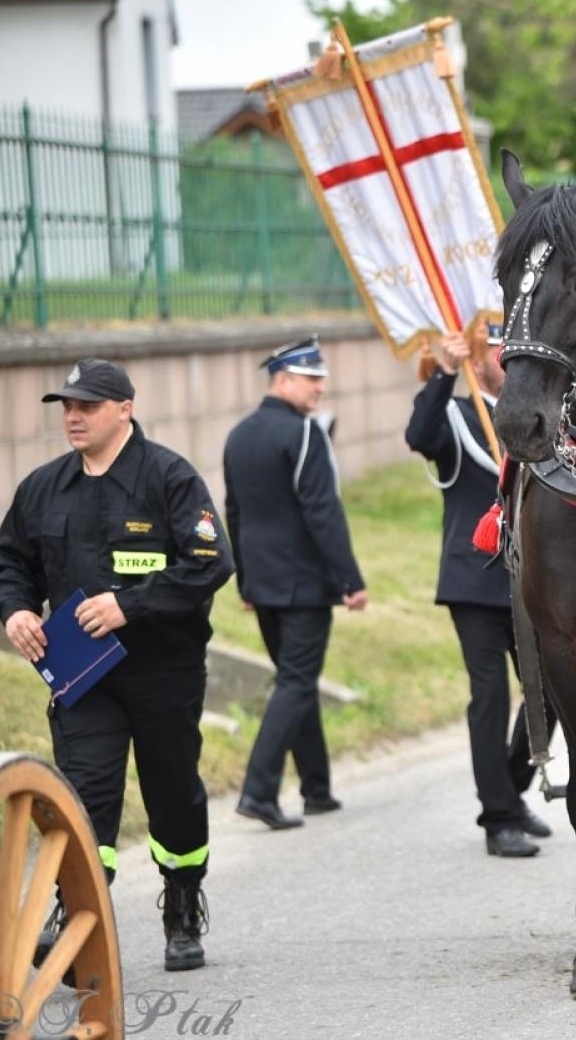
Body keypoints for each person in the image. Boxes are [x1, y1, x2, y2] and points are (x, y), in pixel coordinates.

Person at [0, 358, 232, 971]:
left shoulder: (169, 477)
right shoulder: (42, 487)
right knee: (84, 794)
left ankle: (183, 902)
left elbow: (209, 563)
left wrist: (130, 606)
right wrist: (16, 610)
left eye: (88, 406)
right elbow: (11, 563)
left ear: (124, 409)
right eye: (67, 407)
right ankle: (77, 915)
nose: (74, 417)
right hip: (83, 679)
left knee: (172, 793)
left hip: (163, 673)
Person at [405, 324, 553, 858]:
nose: (506, 356)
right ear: (477, 359)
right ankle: (498, 819)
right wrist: (445, 373)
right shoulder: (455, 415)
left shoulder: (537, 414)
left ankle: (509, 788)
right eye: (496, 349)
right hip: (476, 579)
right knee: (489, 697)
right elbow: (419, 436)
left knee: (551, 691)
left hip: (533, 576)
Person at [225, 337, 367, 830]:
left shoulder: (238, 434)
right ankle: (258, 792)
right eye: (311, 379)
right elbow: (322, 511)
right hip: (302, 584)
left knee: (294, 679)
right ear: (282, 380)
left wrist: (245, 582)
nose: (320, 388)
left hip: (263, 584)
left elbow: (235, 513)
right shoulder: (306, 434)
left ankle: (316, 789)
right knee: (296, 682)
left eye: (321, 379)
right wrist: (350, 579)